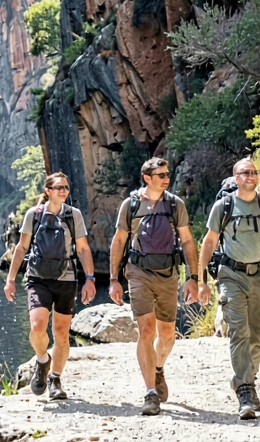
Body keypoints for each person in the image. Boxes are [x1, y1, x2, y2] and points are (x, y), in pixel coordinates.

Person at [197, 157, 260, 419]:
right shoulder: (224, 206)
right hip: (231, 276)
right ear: (236, 177)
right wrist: (201, 281)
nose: (251, 176)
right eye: (245, 172)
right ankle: (245, 390)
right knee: (239, 331)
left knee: (258, 338)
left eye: (253, 172)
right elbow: (208, 243)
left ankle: (244, 378)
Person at [108, 157, 199, 416]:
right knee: (146, 330)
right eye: (160, 174)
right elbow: (119, 241)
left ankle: (158, 369)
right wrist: (114, 279)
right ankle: (150, 393)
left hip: (169, 274)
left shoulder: (175, 204)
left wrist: (194, 277)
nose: (166, 178)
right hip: (138, 273)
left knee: (168, 334)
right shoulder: (131, 205)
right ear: (147, 178)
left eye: (167, 174)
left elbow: (188, 241)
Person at [3, 172, 96, 400]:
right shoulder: (33, 215)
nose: (63, 191)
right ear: (48, 191)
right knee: (37, 326)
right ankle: (43, 360)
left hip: (66, 279)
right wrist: (11, 279)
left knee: (62, 333)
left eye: (66, 187)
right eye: (58, 188)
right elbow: (21, 248)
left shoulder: (73, 216)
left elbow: (83, 249)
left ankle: (55, 379)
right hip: (38, 278)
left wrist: (90, 279)